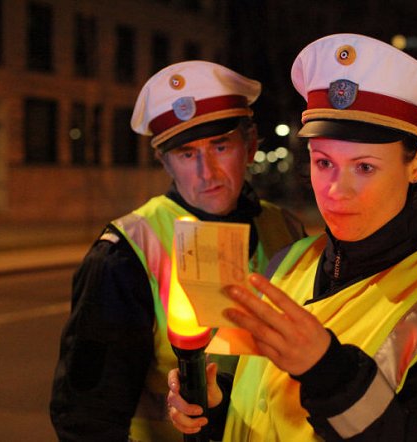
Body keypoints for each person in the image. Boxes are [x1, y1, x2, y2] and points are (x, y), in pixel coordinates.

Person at [166, 34, 417, 441]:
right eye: (324, 162)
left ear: (416, 163)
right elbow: (262, 410)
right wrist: (213, 407)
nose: (336, 189)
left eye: (364, 167)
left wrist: (327, 371)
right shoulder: (287, 262)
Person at [50, 60, 305, 442]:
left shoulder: (287, 230)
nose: (207, 172)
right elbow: (87, 416)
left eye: (220, 146)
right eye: (187, 154)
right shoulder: (127, 250)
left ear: (249, 145)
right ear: (164, 161)